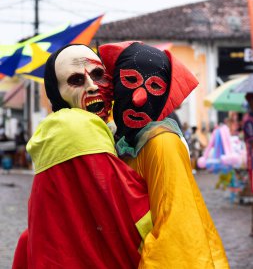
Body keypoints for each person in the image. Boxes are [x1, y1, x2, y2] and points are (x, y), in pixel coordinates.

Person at [12, 44, 152, 269]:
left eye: (98, 74)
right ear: (58, 94)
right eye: (76, 80)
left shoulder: (59, 130)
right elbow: (127, 207)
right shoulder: (76, 126)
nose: (92, 86)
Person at [99, 41, 229, 268]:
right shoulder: (124, 142)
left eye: (155, 87)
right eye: (130, 80)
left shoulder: (162, 143)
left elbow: (175, 233)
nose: (139, 98)